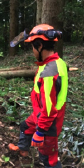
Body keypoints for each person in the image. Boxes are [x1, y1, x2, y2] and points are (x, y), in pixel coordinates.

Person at [8, 24, 68, 168]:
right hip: (40, 114)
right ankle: (23, 151)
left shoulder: (49, 73)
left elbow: (49, 109)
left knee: (48, 158)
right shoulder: (56, 62)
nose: (33, 51)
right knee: (25, 127)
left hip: (49, 122)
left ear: (39, 46)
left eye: (33, 47)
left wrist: (40, 131)